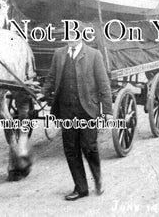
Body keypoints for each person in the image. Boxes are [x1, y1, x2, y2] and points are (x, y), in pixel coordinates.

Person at [37, 33, 112, 201]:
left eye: (74, 34)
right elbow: (51, 78)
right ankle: (81, 188)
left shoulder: (94, 55)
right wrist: (43, 93)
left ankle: (98, 179)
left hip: (87, 110)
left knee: (89, 147)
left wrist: (107, 111)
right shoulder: (59, 53)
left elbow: (103, 84)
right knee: (71, 149)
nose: (70, 37)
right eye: (68, 34)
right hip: (66, 110)